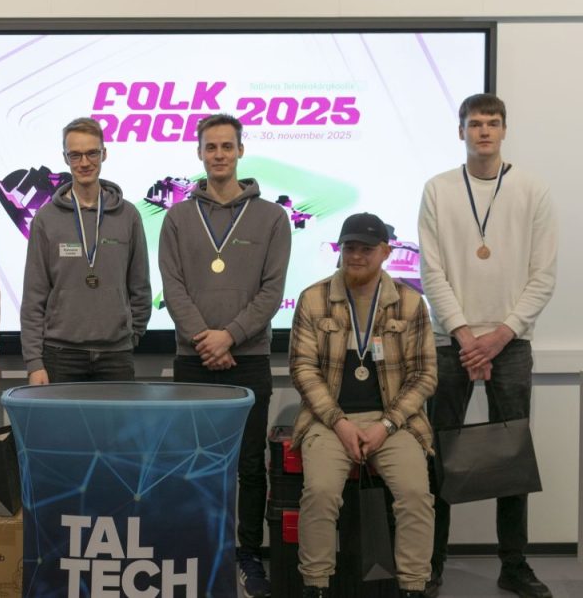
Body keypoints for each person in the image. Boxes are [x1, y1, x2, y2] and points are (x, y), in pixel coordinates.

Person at [418, 93, 557, 598]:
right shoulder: (438, 189)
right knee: (439, 455)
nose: (483, 131)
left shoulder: (532, 190)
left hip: (510, 342)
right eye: (475, 123)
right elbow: (431, 272)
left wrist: (499, 335)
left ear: (504, 130)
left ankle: (513, 565)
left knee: (511, 456)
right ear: (461, 131)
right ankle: (430, 564)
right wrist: (464, 335)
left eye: (492, 123)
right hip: (450, 342)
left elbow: (543, 276)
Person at [158, 113, 291, 597]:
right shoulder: (177, 218)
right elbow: (172, 287)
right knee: (192, 463)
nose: (219, 155)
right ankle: (197, 549)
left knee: (250, 466)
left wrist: (229, 337)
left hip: (248, 359)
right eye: (210, 147)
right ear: (199, 153)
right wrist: (205, 339)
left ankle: (248, 555)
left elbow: (272, 291)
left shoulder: (272, 217)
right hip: (193, 359)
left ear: (240, 151)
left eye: (227, 146)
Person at [289, 212, 437, 598]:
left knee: (415, 495)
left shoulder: (410, 302)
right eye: (349, 247)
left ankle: (413, 587)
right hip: (328, 420)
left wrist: (385, 426)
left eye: (366, 249)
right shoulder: (313, 298)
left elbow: (425, 376)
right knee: (320, 492)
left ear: (385, 252)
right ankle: (316, 586)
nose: (356, 256)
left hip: (394, 422)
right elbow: (302, 369)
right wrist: (339, 423)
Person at [21, 116, 151, 383]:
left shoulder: (128, 215)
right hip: (60, 355)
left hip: (116, 356)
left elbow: (140, 286)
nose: (84, 162)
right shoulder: (46, 219)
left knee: (118, 416)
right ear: (65, 158)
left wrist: (131, 334)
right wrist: (34, 362)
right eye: (75, 155)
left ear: (104, 153)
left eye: (92, 153)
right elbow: (34, 296)